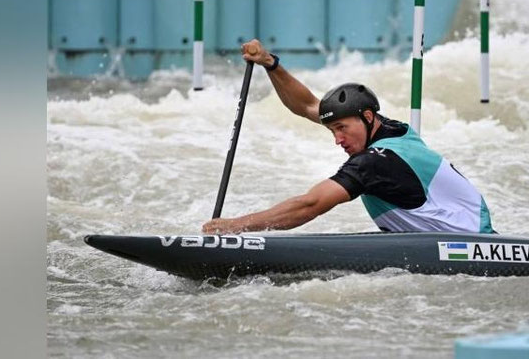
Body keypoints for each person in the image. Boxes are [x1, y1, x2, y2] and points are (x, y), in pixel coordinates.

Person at [202, 39, 495, 235]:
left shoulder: (376, 162)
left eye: (341, 129)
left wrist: (234, 226)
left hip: (469, 243)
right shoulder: (392, 128)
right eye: (333, 129)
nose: (337, 139)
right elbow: (306, 106)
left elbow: (310, 205)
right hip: (461, 232)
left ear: (367, 118)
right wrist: (270, 64)